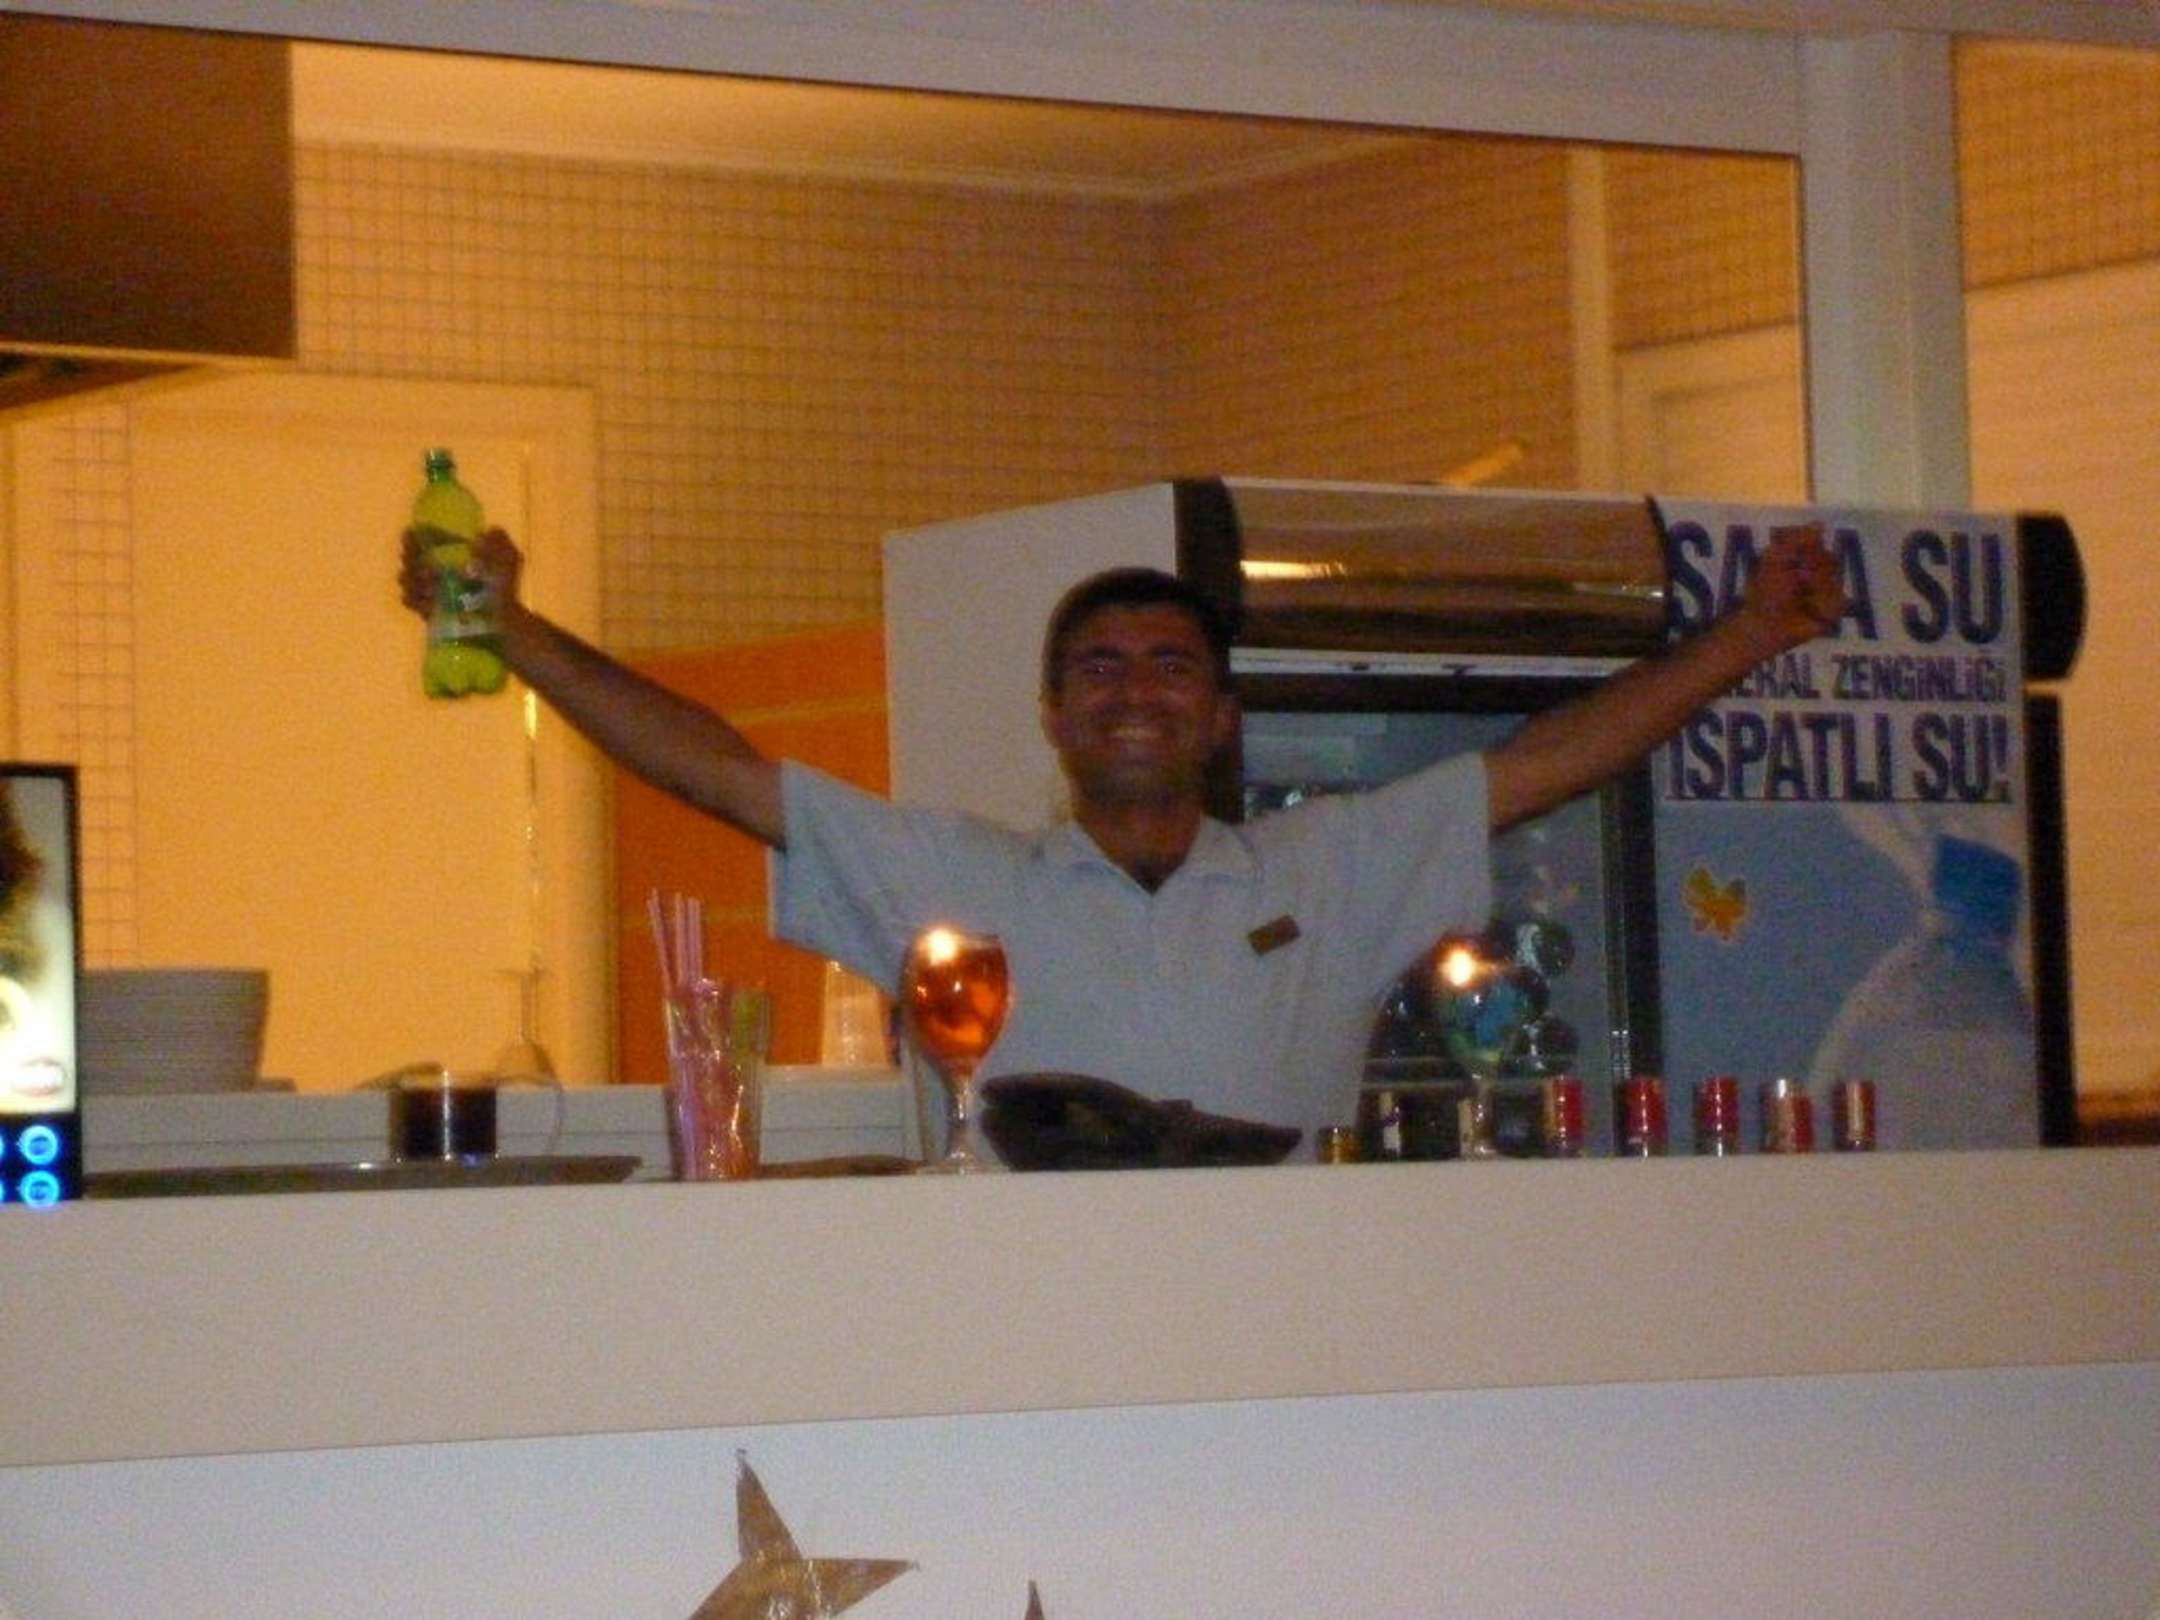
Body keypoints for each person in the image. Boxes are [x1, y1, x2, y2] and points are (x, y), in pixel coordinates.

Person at [401, 521, 1841, 1143]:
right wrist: (513, 632)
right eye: (1098, 668)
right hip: (1018, 1337)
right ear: (1052, 713)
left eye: (1168, 667)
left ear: (1220, 716)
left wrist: (1754, 635)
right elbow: (720, 773)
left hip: (1288, 1341)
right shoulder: (954, 878)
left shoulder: (1329, 867)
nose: (1133, 691)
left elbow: (1544, 764)